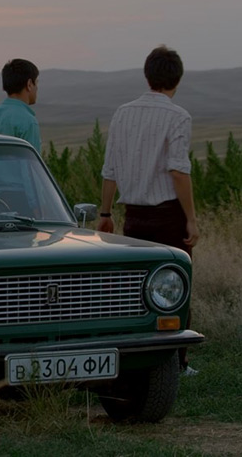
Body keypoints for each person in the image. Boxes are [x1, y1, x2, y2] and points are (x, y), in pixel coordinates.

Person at [98, 45, 200, 375]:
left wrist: (105, 213)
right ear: (177, 80)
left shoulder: (122, 113)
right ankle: (178, 362)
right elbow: (178, 171)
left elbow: (110, 169)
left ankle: (134, 359)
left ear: (147, 76)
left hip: (133, 216)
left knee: (134, 289)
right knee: (174, 288)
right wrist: (191, 218)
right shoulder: (179, 116)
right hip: (168, 215)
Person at [0, 58, 41, 152]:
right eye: (36, 83)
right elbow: (30, 160)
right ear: (29, 84)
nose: (37, 88)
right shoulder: (28, 122)